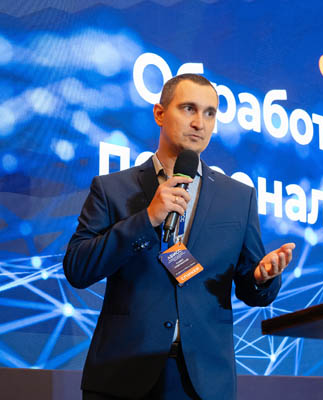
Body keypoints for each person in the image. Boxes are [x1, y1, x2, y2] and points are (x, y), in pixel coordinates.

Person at [63, 73, 295, 400]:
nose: (200, 123)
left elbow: (251, 288)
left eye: (210, 113)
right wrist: (146, 219)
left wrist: (262, 277)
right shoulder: (112, 188)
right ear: (160, 114)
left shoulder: (238, 198)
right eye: (189, 109)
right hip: (122, 376)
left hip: (202, 382)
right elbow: (77, 268)